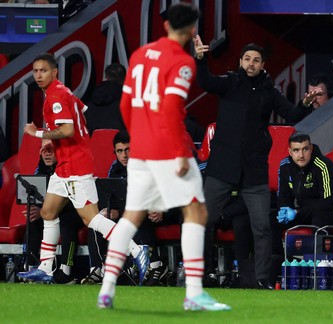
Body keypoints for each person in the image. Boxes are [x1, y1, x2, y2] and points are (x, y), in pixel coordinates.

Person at [97, 3, 230, 311]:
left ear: (167, 25)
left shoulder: (140, 55)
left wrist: (140, 139)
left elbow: (125, 106)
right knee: (195, 213)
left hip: (141, 150)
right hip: (169, 149)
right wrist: (181, 153)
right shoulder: (182, 63)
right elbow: (171, 109)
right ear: (193, 29)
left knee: (131, 217)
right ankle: (194, 293)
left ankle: (107, 288)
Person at [194, 35, 320, 290]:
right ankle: (200, 275)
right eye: (247, 59)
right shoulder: (229, 83)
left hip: (254, 171)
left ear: (263, 65)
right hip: (222, 167)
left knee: (262, 226)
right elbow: (206, 81)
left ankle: (263, 280)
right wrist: (199, 59)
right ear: (241, 61)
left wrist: (305, 103)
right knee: (203, 221)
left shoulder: (269, 92)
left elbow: (292, 114)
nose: (251, 64)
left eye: (256, 60)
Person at [17, 53, 149, 284]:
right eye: (36, 71)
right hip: (65, 165)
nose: (38, 75)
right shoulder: (64, 92)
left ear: (54, 71)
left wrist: (38, 133)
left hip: (75, 166)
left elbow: (67, 130)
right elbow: (81, 116)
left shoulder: (56, 95)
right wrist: (54, 142)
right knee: (48, 212)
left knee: (91, 220)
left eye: (43, 71)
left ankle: (137, 250)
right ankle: (46, 268)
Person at [82, 130, 169, 286]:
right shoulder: (115, 169)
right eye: (120, 151)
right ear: (114, 152)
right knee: (97, 221)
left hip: (161, 211)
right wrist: (110, 210)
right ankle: (97, 269)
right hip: (132, 213)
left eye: (128, 150)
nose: (124, 155)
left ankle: (155, 266)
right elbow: (112, 195)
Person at [22, 139, 84, 284]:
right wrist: (35, 209)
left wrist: (46, 210)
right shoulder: (41, 169)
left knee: (66, 222)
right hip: (51, 212)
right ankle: (32, 266)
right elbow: (38, 198)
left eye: (51, 149)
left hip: (74, 211)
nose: (47, 154)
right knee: (34, 220)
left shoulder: (70, 167)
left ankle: (66, 270)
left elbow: (74, 200)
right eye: (43, 150)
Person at [276, 131, 333, 227]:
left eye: (305, 149)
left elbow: (328, 203)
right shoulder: (285, 166)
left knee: (320, 217)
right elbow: (283, 197)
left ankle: (316, 242)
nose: (301, 155)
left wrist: (297, 211)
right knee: (271, 219)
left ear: (311, 149)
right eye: (296, 150)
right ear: (290, 152)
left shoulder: (324, 166)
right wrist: (283, 211)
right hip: (303, 212)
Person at [84, 63, 127, 134]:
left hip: (94, 143)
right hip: (120, 143)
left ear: (106, 76)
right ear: (125, 78)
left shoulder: (91, 98)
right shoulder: (129, 101)